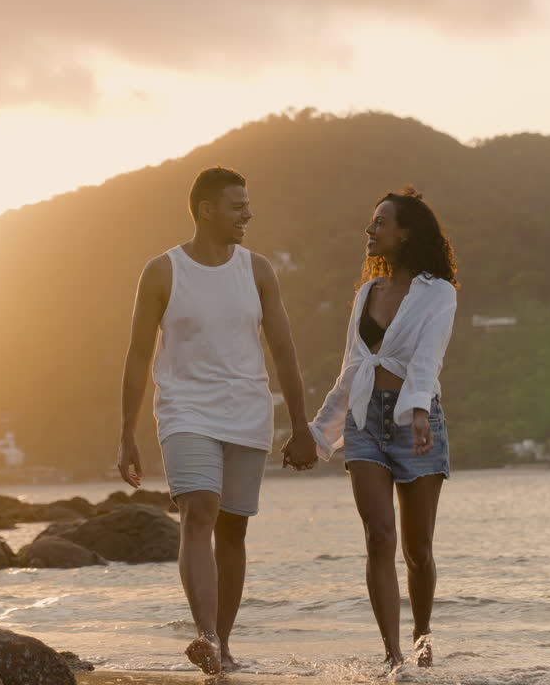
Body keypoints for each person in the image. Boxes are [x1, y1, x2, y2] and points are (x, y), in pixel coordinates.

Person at [117, 166, 319, 674]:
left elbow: (284, 351)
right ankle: (205, 635)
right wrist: (126, 433)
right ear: (206, 210)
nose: (248, 214)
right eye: (237, 206)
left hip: (247, 411)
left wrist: (301, 427)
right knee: (199, 509)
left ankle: (222, 647)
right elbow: (138, 355)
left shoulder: (258, 270)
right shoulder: (162, 271)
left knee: (233, 530)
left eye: (247, 204)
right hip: (185, 409)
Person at [304, 187, 458, 671]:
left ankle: (421, 638)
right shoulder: (366, 293)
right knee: (378, 537)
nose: (369, 230)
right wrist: (318, 432)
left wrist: (418, 410)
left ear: (405, 232)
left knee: (418, 549)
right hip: (364, 420)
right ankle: (392, 655)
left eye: (380, 222)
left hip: (416, 420)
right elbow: (352, 368)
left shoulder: (438, 292)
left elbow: (429, 356)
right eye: (372, 222)